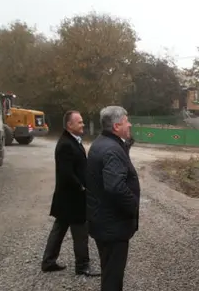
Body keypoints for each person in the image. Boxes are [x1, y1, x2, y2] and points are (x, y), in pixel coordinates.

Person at [86, 106, 140, 291]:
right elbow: (115, 187)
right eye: (126, 121)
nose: (130, 123)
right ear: (117, 126)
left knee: (109, 270)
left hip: (103, 221)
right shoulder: (111, 150)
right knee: (113, 277)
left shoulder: (102, 143)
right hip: (112, 225)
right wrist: (133, 205)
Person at [41, 110, 99, 277]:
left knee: (59, 230)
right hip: (73, 198)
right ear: (69, 125)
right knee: (80, 232)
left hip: (66, 198)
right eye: (79, 122)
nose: (83, 124)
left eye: (82, 121)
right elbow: (66, 173)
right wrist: (82, 188)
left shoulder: (73, 141)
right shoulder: (66, 144)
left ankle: (48, 262)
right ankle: (82, 266)